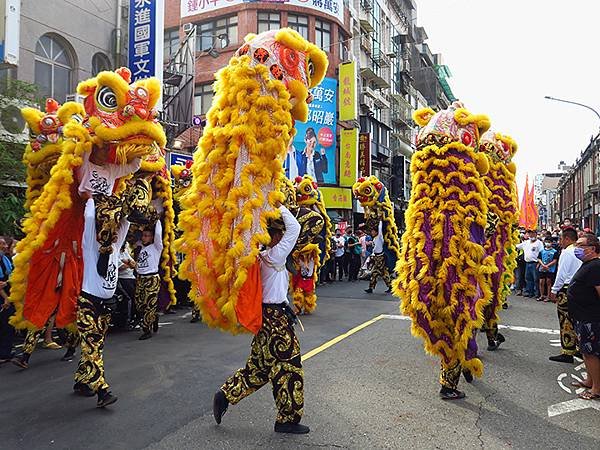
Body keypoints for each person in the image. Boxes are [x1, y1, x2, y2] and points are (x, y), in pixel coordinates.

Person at [212, 204, 309, 434]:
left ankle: (225, 395)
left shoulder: (265, 257)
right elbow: (294, 228)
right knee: (289, 366)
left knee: (260, 368)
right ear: (275, 237)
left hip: (269, 317)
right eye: (280, 234)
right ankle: (286, 419)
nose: (285, 237)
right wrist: (277, 205)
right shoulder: (274, 255)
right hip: (275, 321)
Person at [73, 198, 129, 407]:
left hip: (106, 305)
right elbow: (88, 217)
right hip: (87, 304)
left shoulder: (116, 244)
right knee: (93, 347)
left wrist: (123, 207)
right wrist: (90, 196)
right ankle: (102, 391)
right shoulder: (90, 243)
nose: (111, 228)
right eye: (106, 224)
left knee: (95, 346)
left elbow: (126, 222)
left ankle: (81, 380)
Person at [566, 233, 600, 399]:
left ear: (592, 249)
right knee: (585, 352)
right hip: (582, 317)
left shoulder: (595, 266)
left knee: (591, 353)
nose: (576, 248)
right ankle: (589, 380)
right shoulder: (587, 264)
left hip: (591, 319)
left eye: (580, 245)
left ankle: (597, 389)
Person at [548, 227, 581, 363]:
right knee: (577, 320)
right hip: (579, 289)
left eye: (561, 239)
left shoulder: (567, 252)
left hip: (567, 289)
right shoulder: (580, 250)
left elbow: (562, 274)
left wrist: (554, 290)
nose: (560, 241)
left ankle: (568, 351)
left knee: (566, 320)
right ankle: (579, 348)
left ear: (567, 239)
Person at [134, 221, 163, 340]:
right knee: (139, 304)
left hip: (152, 279)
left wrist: (157, 220)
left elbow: (158, 233)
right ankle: (154, 316)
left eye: (147, 235)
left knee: (149, 304)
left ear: (152, 237)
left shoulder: (157, 247)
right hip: (140, 278)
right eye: (143, 235)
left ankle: (146, 329)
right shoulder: (139, 247)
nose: (144, 237)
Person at [365, 221, 392, 294]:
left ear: (376, 232)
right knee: (380, 273)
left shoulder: (380, 237)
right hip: (376, 257)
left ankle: (372, 288)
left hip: (380, 258)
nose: (372, 233)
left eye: (373, 231)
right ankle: (389, 286)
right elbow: (374, 249)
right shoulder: (374, 239)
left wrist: (380, 221)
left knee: (377, 273)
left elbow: (380, 229)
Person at [516, 230, 543, 298]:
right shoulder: (526, 243)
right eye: (530, 233)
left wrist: (539, 264)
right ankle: (529, 292)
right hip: (527, 263)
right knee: (528, 278)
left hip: (535, 263)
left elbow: (541, 253)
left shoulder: (539, 243)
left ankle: (537, 293)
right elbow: (517, 246)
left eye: (533, 233)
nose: (531, 235)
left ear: (536, 234)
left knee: (536, 279)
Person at [0, 237, 15, 364]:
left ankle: (6, 352)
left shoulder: (6, 259)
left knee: (8, 325)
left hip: (8, 294)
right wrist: (5, 299)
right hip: (3, 296)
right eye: (3, 244)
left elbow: (11, 275)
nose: (5, 246)